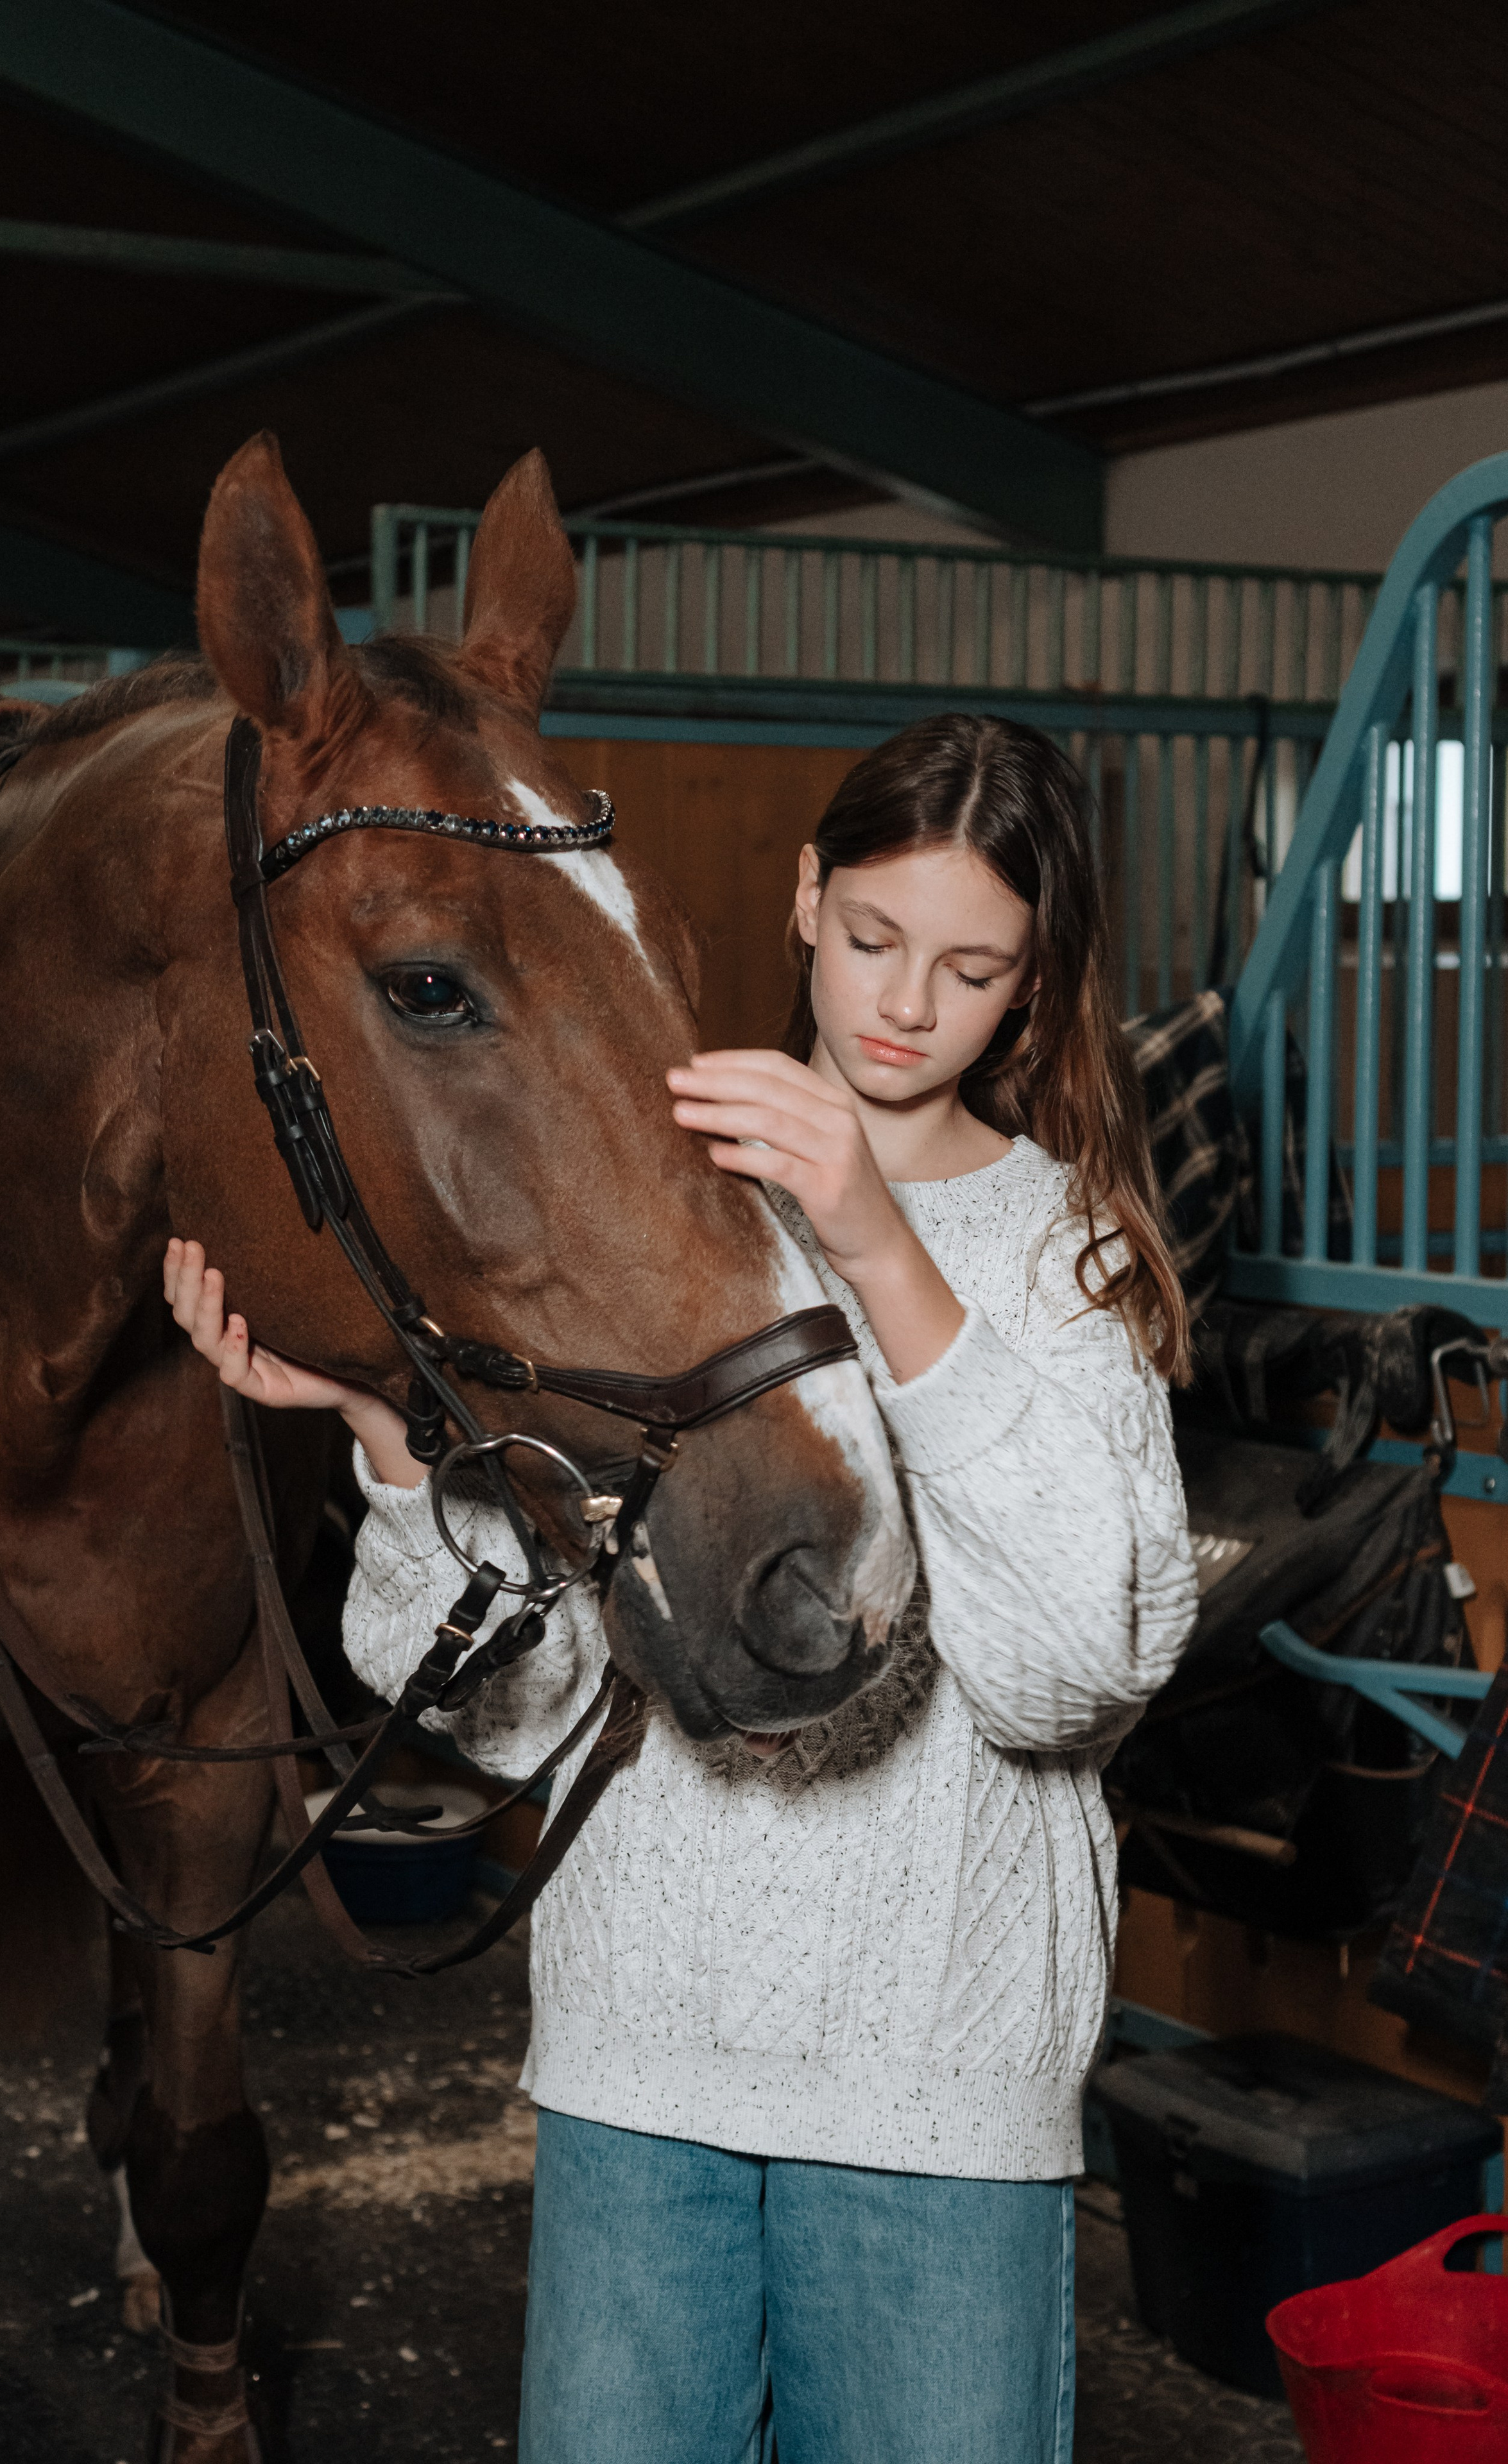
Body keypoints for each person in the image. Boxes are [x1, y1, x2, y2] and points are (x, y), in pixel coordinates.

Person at [165, 712, 1198, 2464]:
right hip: (640, 2075)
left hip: (935, 2109)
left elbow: (1069, 1674)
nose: (902, 1005)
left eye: (969, 969)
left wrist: (875, 1238)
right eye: (871, 937)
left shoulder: (1062, 1250)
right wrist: (390, 1434)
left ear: (1030, 993)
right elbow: (513, 1710)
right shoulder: (633, 1178)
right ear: (803, 899)